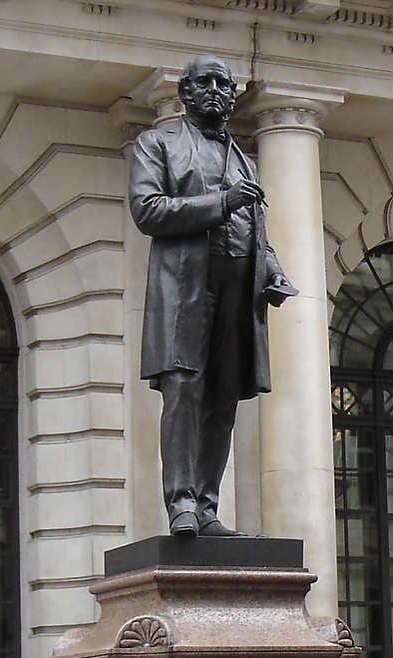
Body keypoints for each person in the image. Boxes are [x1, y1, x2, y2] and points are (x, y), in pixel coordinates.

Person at [129, 55, 297, 537]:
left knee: (223, 398)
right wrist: (223, 202)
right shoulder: (157, 144)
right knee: (183, 389)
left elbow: (256, 229)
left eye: (224, 84)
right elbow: (148, 210)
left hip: (239, 290)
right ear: (185, 92)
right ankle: (180, 503)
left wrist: (273, 270)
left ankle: (206, 507)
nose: (216, 91)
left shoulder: (243, 159)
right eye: (204, 82)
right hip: (186, 288)